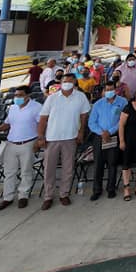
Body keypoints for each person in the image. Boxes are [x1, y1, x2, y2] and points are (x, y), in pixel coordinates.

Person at [36, 72, 90, 210]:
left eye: (70, 80)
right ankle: (48, 196)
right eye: (65, 80)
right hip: (52, 138)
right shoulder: (52, 98)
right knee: (49, 168)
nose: (67, 82)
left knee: (68, 168)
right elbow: (43, 118)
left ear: (74, 83)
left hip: (70, 137)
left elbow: (84, 116)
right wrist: (40, 136)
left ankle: (64, 194)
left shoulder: (80, 97)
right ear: (61, 82)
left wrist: (81, 132)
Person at [0, 85, 42, 211]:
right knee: (9, 172)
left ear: (28, 96)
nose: (17, 98)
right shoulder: (13, 108)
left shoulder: (36, 107)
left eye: (20, 95)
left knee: (26, 171)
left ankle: (23, 196)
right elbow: (7, 123)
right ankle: (7, 197)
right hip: (11, 143)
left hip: (28, 143)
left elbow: (41, 124)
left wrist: (39, 140)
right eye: (16, 95)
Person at [87, 80, 126, 201]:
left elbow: (122, 120)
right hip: (99, 137)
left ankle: (111, 189)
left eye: (111, 89)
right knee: (98, 163)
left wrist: (110, 131)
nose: (109, 92)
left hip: (114, 135)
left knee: (112, 163)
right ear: (104, 91)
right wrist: (102, 132)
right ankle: (97, 190)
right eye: (107, 90)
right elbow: (91, 122)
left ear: (115, 89)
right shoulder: (98, 104)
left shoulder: (122, 102)